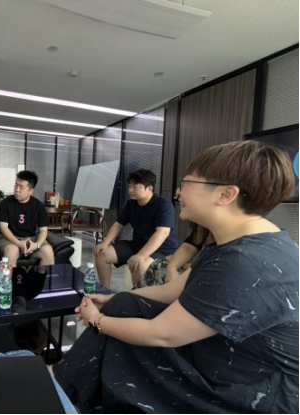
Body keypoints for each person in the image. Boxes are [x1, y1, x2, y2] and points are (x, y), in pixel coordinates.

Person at [52, 141, 299, 414]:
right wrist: (111, 297)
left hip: (252, 387)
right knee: (124, 303)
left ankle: (60, 391)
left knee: (114, 331)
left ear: (225, 194)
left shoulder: (246, 261)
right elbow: (171, 291)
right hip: (226, 354)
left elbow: (163, 334)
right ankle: (65, 391)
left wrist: (97, 321)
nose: (178, 191)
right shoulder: (230, 243)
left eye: (186, 182)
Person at [94, 169, 180, 288]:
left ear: (149, 188)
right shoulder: (131, 204)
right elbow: (118, 224)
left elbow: (163, 233)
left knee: (139, 265)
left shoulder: (163, 204)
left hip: (162, 249)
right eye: (130, 186)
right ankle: (104, 290)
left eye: (135, 187)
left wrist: (141, 255)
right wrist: (105, 243)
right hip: (137, 244)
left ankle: (137, 297)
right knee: (101, 254)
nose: (130, 190)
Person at [0, 171, 55, 269]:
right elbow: (3, 228)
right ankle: (11, 279)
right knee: (11, 251)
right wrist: (19, 244)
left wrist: (36, 245)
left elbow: (43, 231)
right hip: (9, 239)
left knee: (48, 251)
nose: (17, 190)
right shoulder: (5, 203)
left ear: (30, 190)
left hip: (31, 239)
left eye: (21, 187)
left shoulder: (38, 206)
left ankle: (41, 278)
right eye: (16, 185)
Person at [134, 223, 212, 289]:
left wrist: (189, 266)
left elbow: (212, 270)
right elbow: (190, 245)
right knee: (158, 265)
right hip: (198, 270)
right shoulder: (202, 227)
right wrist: (172, 266)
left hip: (206, 279)